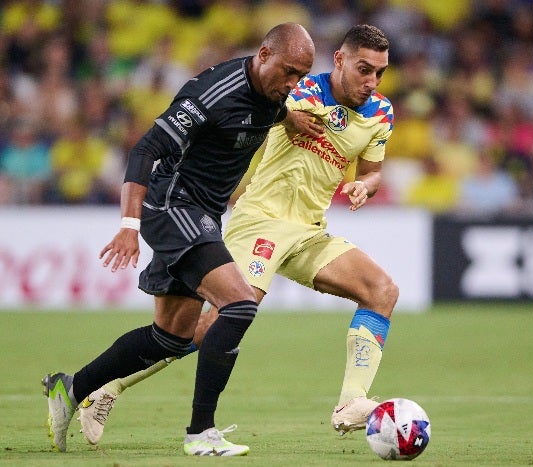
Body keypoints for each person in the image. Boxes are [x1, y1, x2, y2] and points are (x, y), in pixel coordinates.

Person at [77, 24, 398, 446]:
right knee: (214, 325)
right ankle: (108, 388)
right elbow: (249, 95)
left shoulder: (380, 113)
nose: (371, 81)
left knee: (381, 291)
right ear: (338, 60)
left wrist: (364, 186)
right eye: (364, 69)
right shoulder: (296, 92)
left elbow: (373, 172)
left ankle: (352, 401)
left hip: (309, 231)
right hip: (259, 222)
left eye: (379, 73)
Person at [42, 22, 316, 457]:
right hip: (173, 205)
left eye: (301, 75)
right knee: (240, 304)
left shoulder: (274, 95)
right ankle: (200, 433)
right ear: (263, 55)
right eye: (288, 72)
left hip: (203, 213)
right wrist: (128, 226)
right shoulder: (209, 94)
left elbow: (266, 109)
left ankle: (71, 388)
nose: (293, 83)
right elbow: (144, 150)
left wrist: (291, 118)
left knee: (170, 337)